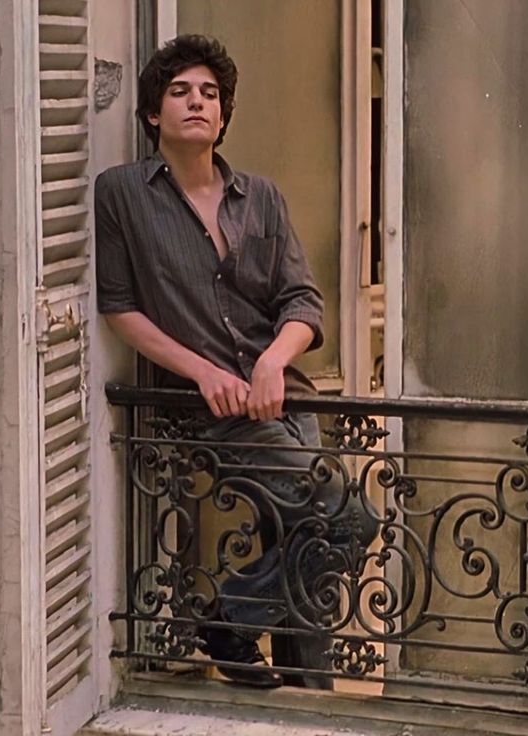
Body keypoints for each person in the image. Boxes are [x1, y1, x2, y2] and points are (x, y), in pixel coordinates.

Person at [95, 35, 377, 689]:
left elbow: (304, 302)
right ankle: (225, 619)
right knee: (348, 516)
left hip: (286, 398)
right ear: (151, 114)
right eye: (180, 91)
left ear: (223, 115)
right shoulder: (123, 195)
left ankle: (308, 698)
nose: (198, 102)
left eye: (210, 94)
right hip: (213, 409)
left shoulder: (263, 198)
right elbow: (120, 307)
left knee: (310, 536)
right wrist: (203, 371)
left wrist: (274, 362)